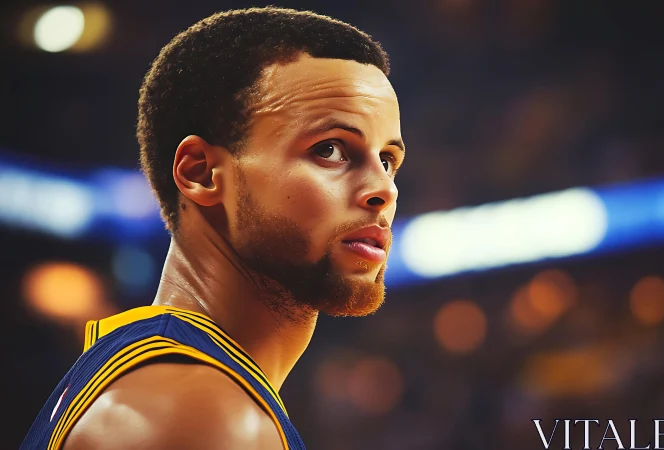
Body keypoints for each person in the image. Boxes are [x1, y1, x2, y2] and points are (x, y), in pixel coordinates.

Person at [22, 6, 404, 449]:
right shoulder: (201, 412)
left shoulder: (156, 374)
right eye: (331, 149)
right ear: (201, 173)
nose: (383, 189)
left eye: (388, 160)